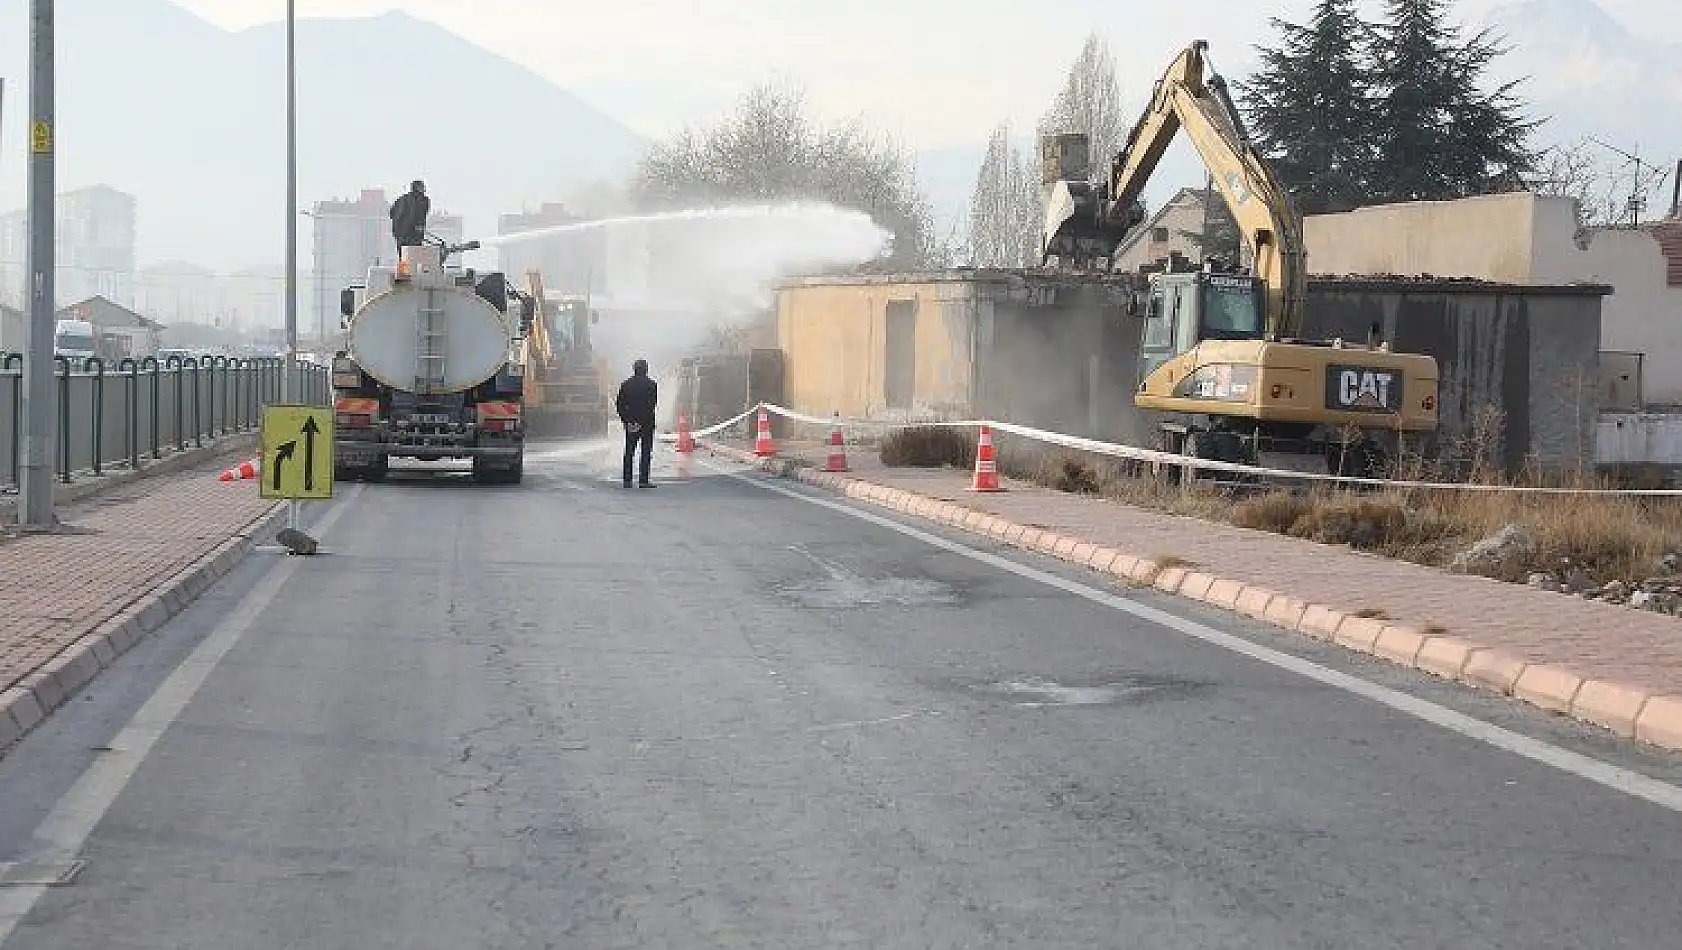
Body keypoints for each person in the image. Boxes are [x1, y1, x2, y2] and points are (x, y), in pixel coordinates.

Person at [616, 359, 659, 488]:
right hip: (647, 423)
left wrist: (627, 420)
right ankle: (643, 480)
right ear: (646, 369)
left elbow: (620, 404)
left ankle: (627, 480)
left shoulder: (626, 385)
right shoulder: (652, 385)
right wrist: (643, 420)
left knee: (629, 451)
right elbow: (652, 405)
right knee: (645, 451)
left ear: (634, 369)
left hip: (631, 423)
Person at [389, 180, 431, 253]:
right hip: (408, 234)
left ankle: (410, 264)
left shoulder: (403, 199)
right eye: (422, 187)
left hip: (404, 234)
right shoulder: (423, 200)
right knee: (411, 256)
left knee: (406, 256)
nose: (424, 189)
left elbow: (392, 213)